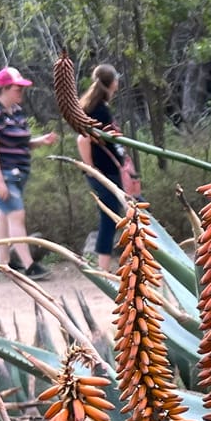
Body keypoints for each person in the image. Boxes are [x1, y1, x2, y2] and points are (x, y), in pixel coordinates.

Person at [0, 66, 59, 277]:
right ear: (3, 89)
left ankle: (4, 264)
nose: (21, 92)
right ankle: (29, 265)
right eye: (17, 88)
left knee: (4, 215)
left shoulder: (16, 111)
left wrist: (40, 141)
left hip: (18, 171)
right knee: (16, 214)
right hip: (2, 173)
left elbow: (19, 143)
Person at [76, 63, 131, 272]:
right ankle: (104, 268)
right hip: (103, 172)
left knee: (122, 213)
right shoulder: (99, 110)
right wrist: (93, 170)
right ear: (112, 82)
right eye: (116, 79)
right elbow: (83, 140)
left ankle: (111, 265)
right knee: (111, 216)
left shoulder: (99, 107)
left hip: (110, 171)